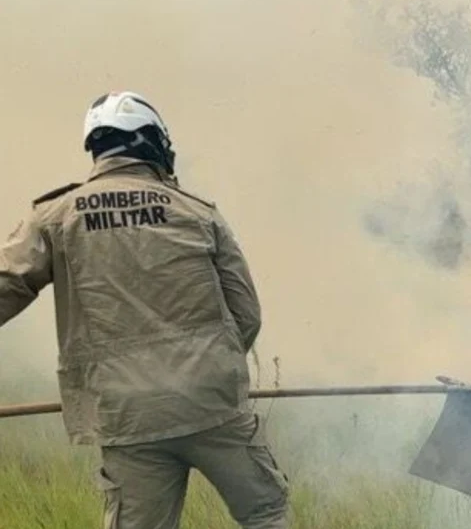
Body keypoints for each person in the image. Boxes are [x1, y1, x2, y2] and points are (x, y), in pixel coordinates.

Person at [0, 91, 289, 528]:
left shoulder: (55, 216)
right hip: (211, 405)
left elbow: (7, 286)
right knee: (266, 513)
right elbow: (246, 314)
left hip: (127, 415)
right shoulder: (198, 213)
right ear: (150, 140)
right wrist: (210, 366)